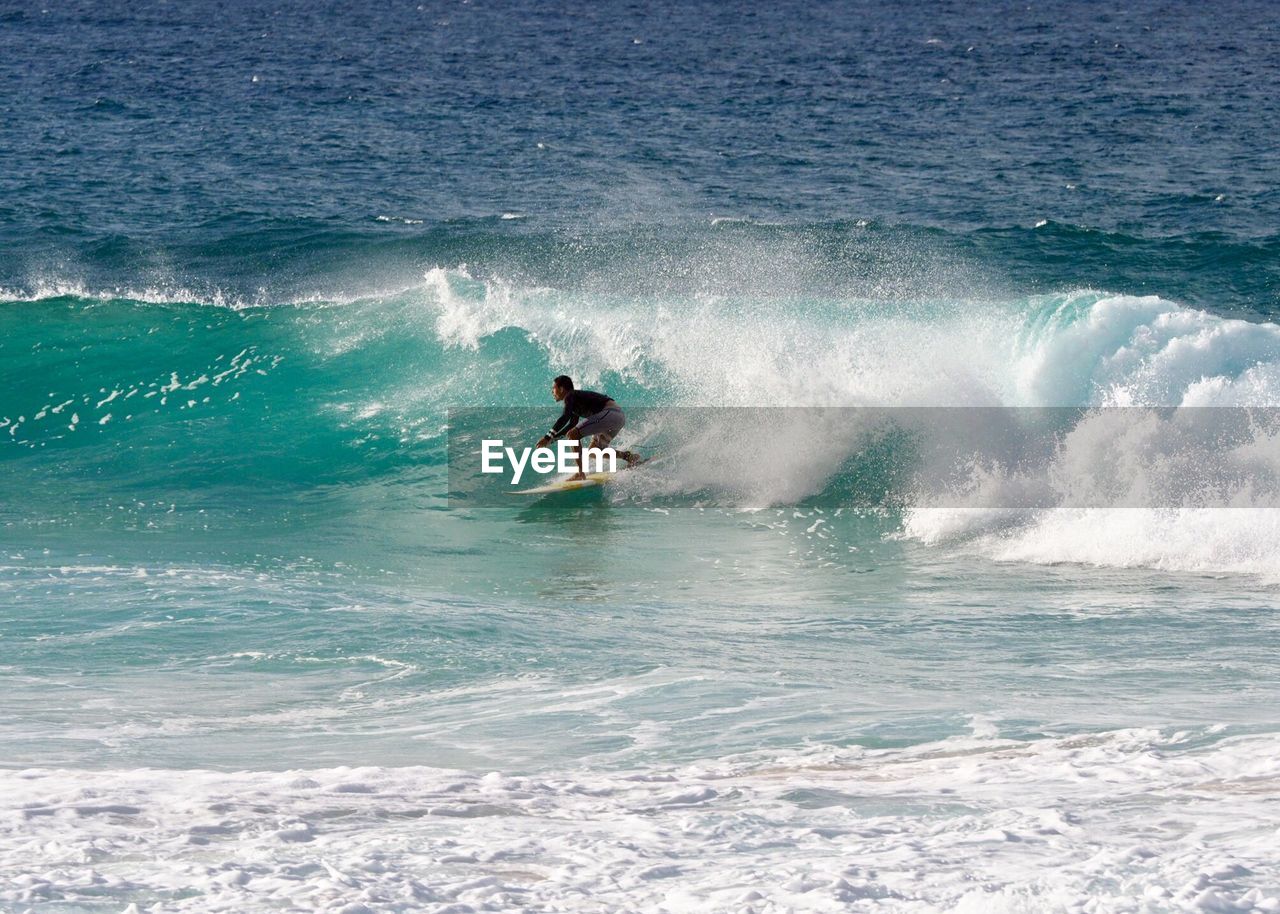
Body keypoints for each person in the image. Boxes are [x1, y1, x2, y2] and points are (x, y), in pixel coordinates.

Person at [534, 375, 643, 480]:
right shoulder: (574, 400)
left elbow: (564, 418)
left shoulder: (570, 396)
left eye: (553, 388)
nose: (552, 392)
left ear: (561, 388)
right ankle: (628, 457)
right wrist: (552, 440)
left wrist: (547, 437)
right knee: (593, 451)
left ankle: (580, 473)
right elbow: (571, 424)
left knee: (573, 435)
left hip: (610, 413)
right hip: (615, 418)